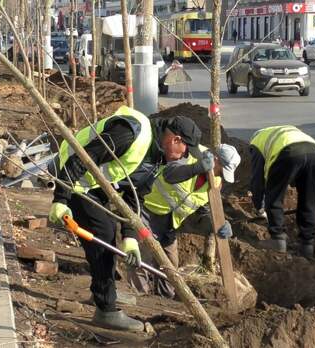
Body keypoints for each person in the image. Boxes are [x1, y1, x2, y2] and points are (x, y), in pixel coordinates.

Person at [48, 105, 202, 331]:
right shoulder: (131, 133)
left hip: (96, 184)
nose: (185, 157)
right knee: (104, 232)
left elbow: (134, 195)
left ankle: (104, 290)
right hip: (73, 178)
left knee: (109, 234)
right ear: (175, 139)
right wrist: (60, 198)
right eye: (185, 151)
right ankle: (105, 309)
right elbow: (84, 157)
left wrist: (131, 238)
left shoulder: (157, 157)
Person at [129, 144, 241, 299]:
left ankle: (165, 299)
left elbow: (204, 212)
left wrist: (218, 224)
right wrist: (197, 167)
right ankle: (139, 298)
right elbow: (169, 173)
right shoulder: (189, 154)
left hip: (170, 223)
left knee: (170, 266)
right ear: (215, 159)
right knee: (142, 258)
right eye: (221, 170)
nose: (219, 175)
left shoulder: (215, 182)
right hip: (146, 210)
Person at [249, 125, 315, 259]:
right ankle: (307, 245)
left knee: (275, 196)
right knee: (309, 200)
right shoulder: (287, 133)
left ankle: (278, 239)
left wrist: (260, 207)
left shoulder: (256, 144)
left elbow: (257, 180)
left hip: (287, 153)